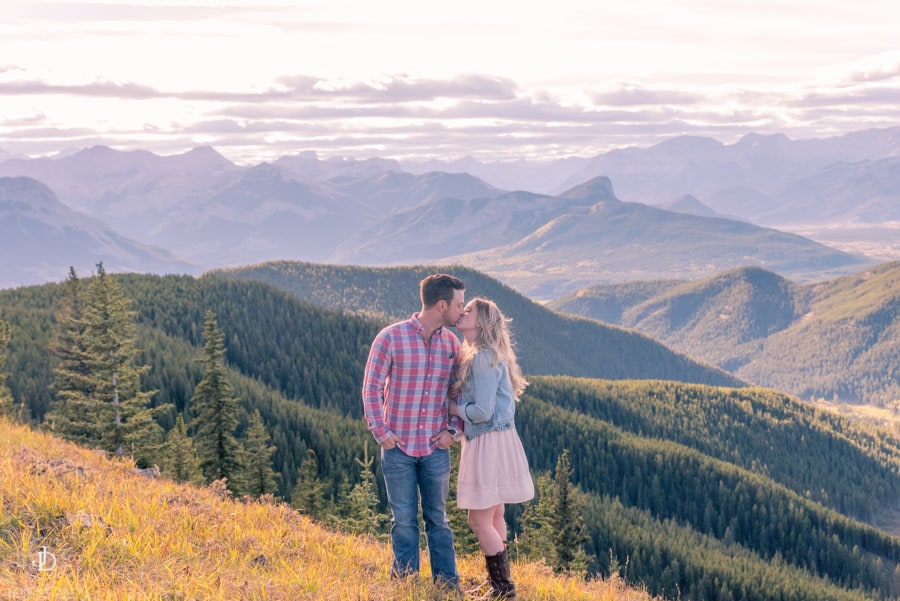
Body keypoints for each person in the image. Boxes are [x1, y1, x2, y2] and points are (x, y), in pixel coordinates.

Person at [362, 273, 466, 590]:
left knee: (439, 520)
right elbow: (371, 390)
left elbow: (457, 394)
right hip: (398, 450)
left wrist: (454, 431)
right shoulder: (390, 338)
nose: (462, 311)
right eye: (459, 304)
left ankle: (447, 586)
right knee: (404, 521)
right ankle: (406, 584)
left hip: (436, 449)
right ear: (441, 305)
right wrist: (381, 433)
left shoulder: (452, 344)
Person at [449, 297, 534, 601]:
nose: (462, 312)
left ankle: (503, 589)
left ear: (482, 323)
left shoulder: (482, 358)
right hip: (500, 440)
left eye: (469, 311)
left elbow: (482, 411)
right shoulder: (488, 355)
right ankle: (498, 584)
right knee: (495, 514)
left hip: (487, 441)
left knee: (478, 520)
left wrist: (454, 408)